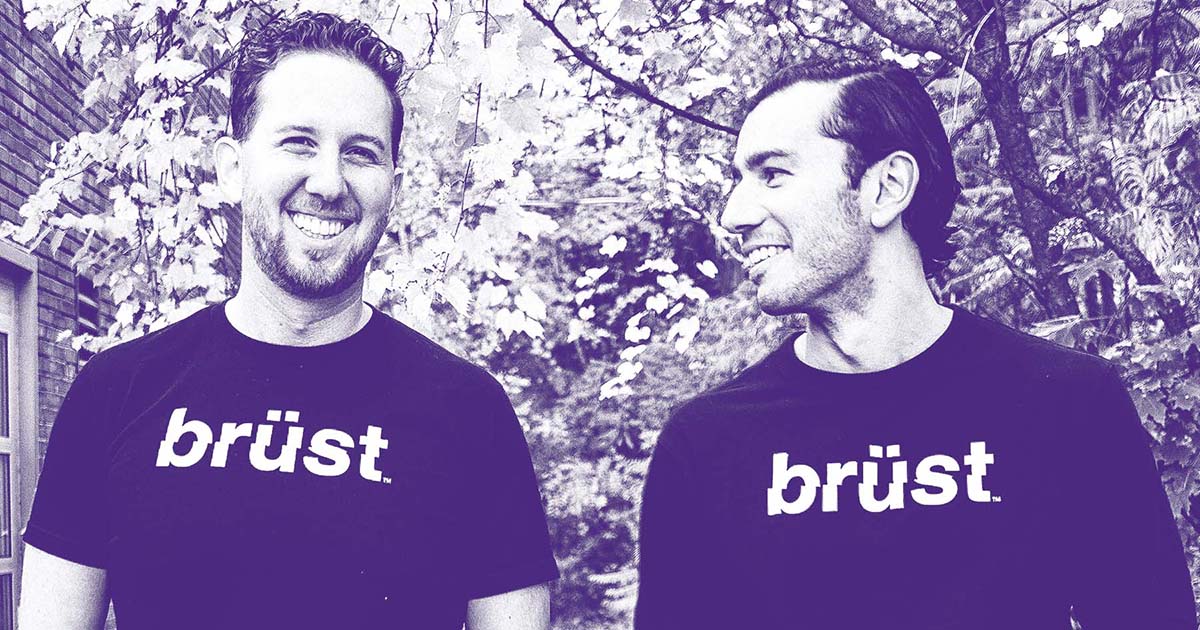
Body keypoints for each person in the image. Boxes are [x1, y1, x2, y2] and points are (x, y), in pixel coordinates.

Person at [18, 12, 557, 629]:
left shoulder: (471, 415)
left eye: (360, 153)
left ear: (393, 185)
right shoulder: (113, 393)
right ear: (231, 168)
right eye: (298, 142)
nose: (328, 182)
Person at [634, 62, 1197, 630]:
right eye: (739, 179)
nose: (734, 215)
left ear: (887, 188)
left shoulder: (1066, 401)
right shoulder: (705, 443)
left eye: (773, 174)